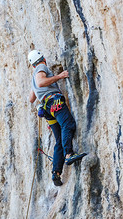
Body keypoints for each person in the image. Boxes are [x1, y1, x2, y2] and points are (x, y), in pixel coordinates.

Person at [28, 50, 87, 186]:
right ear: (42, 58)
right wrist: (59, 76)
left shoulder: (33, 79)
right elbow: (41, 82)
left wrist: (40, 91)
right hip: (54, 102)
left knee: (59, 139)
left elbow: (31, 98)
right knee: (68, 124)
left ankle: (56, 172)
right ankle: (68, 154)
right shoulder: (41, 67)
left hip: (47, 109)